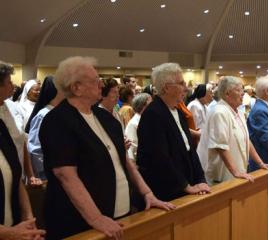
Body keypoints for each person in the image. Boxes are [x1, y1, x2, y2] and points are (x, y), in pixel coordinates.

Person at [39, 56, 174, 240]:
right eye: (95, 81)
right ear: (76, 87)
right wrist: (96, 218)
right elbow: (66, 175)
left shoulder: (106, 119)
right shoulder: (57, 121)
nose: (101, 85)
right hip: (80, 222)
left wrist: (147, 193)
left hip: (120, 214)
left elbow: (124, 161)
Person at [137, 63, 210, 201]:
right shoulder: (153, 114)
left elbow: (190, 150)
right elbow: (160, 157)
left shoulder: (177, 112)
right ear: (166, 88)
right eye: (181, 83)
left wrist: (200, 179)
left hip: (185, 183)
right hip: (168, 190)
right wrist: (185, 186)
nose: (186, 88)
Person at [200, 76, 268, 185]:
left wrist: (261, 163)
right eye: (238, 90)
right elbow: (220, 146)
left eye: (242, 90)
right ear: (227, 93)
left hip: (237, 172)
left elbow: (247, 140)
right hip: (222, 175)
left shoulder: (238, 112)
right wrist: (235, 172)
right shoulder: (220, 112)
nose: (242, 93)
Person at [0, 60, 45, 240]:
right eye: (9, 82)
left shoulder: (7, 118)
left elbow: (14, 171)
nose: (13, 85)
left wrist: (28, 217)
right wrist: (11, 233)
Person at [26, 76, 64, 180]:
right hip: (48, 174)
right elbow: (35, 149)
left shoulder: (60, 113)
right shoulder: (43, 115)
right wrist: (44, 173)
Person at [125, 93, 152, 161]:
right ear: (142, 106)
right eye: (150, 104)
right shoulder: (133, 124)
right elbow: (132, 149)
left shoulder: (148, 119)